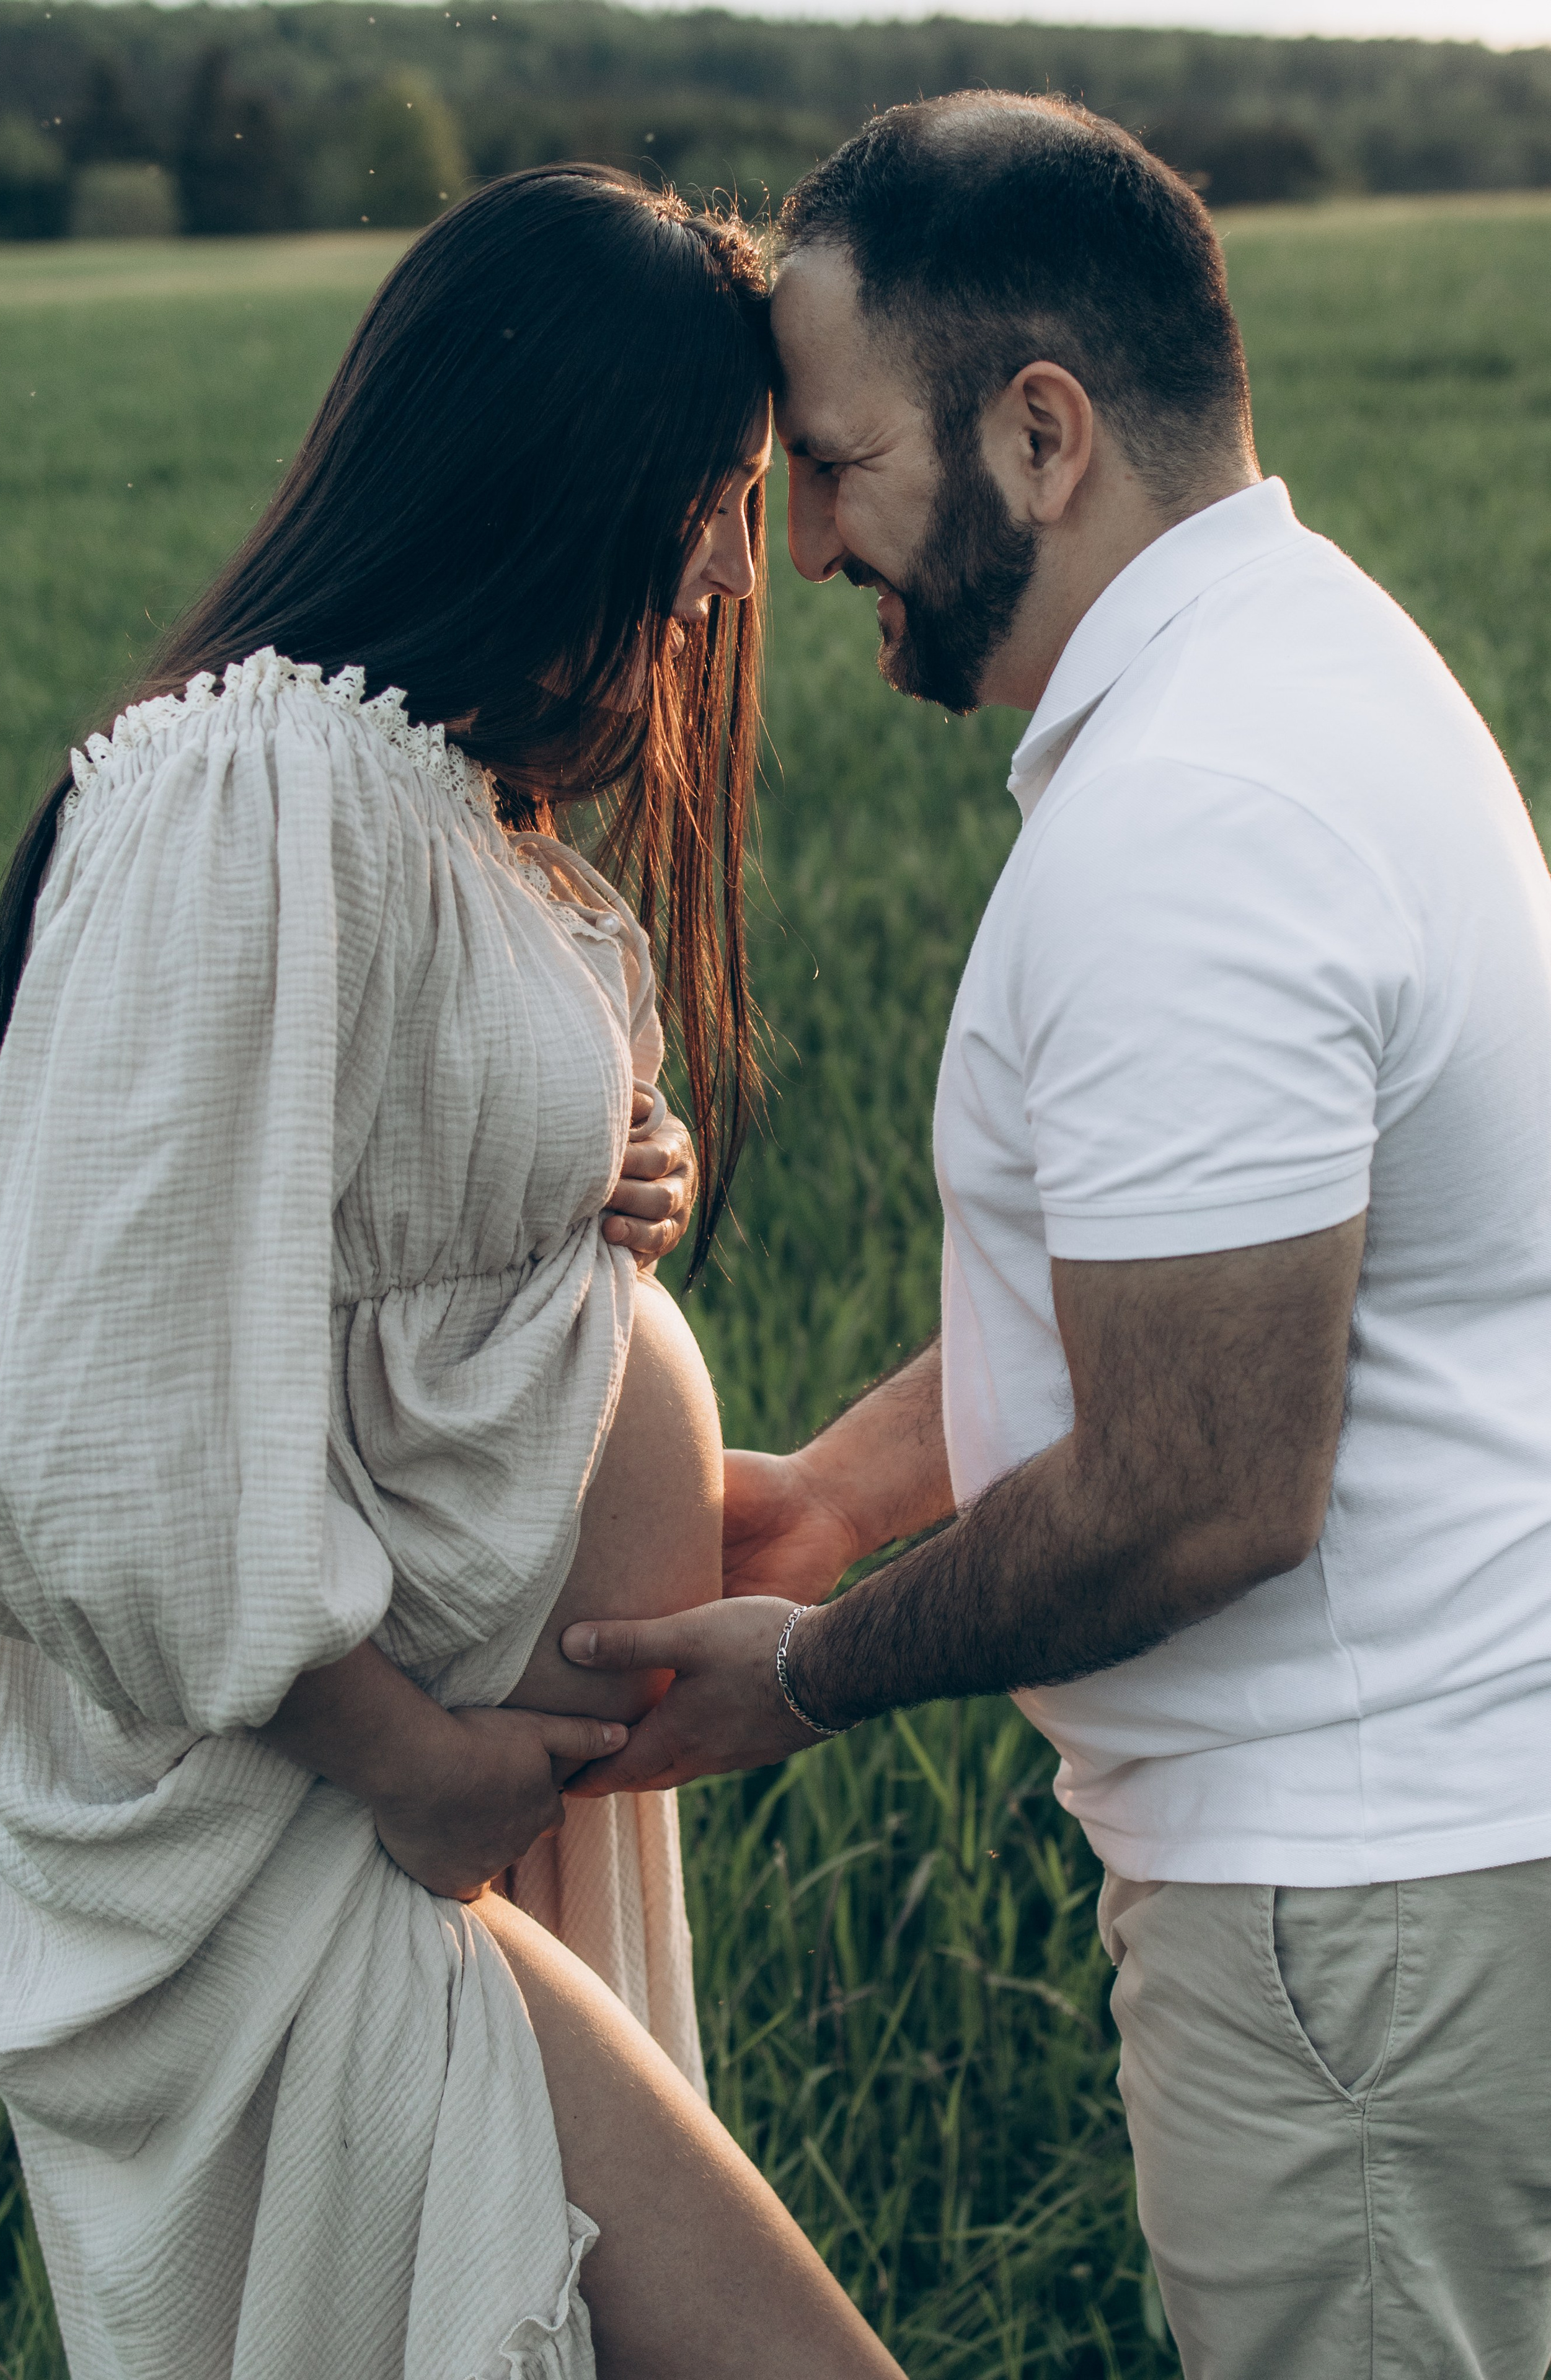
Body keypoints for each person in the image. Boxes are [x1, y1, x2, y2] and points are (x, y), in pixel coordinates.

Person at [562, 96, 1551, 2380]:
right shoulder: (1308, 675)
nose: (804, 548)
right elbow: (1214, 1287)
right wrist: (829, 1500)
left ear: (1041, 430)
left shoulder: (1193, 816)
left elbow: (1208, 1474)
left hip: (1351, 1922)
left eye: (836, 464)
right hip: (1419, 1867)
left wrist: (806, 1677)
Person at [0, 167, 904, 2380]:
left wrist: (609, 1162)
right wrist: (395, 1745)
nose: (723, 563)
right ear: (539, 465)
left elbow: (364, 1215)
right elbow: (83, 1402)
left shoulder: (443, 805)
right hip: (306, 1835)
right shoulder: (252, 781)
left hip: (429, 1816)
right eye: (702, 495)